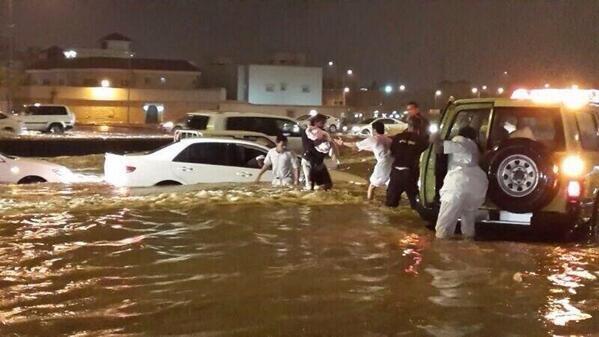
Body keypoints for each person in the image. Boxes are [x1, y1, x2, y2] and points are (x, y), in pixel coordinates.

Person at [434, 126, 489, 239]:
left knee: (443, 225)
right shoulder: (475, 147)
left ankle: (441, 248)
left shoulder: (460, 141)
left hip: (456, 186)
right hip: (474, 188)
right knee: (468, 223)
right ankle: (467, 246)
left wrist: (435, 139)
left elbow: (440, 148)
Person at [335, 121, 392, 200]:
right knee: (390, 186)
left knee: (372, 186)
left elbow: (354, 144)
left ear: (374, 130)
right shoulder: (389, 140)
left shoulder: (374, 139)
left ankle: (370, 203)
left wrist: (342, 143)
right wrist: (362, 148)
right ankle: (391, 202)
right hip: (392, 165)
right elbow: (375, 149)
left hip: (382, 165)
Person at [385, 118, 429, 209]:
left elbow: (392, 153)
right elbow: (427, 157)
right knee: (415, 204)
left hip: (396, 173)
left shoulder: (398, 137)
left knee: (390, 204)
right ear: (420, 128)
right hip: (410, 173)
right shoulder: (422, 140)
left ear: (408, 126)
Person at [302, 114, 335, 190]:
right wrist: (322, 140)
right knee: (310, 186)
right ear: (316, 122)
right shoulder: (307, 132)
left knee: (328, 185)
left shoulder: (323, 132)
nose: (324, 125)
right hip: (309, 161)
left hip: (319, 161)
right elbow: (308, 147)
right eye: (322, 122)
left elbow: (328, 146)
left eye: (324, 123)